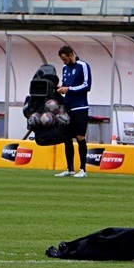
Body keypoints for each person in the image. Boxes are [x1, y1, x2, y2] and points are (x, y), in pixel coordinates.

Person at [55, 45, 91, 178]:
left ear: (71, 55)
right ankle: (69, 168)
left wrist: (69, 89)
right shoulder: (65, 69)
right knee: (66, 138)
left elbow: (87, 85)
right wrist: (60, 89)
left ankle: (83, 169)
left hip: (80, 107)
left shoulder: (83, 66)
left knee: (80, 137)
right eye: (62, 60)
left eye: (65, 59)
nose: (64, 62)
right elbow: (65, 85)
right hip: (67, 107)